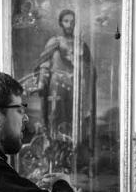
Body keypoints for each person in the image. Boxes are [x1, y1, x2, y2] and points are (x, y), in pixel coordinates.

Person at [35, 9, 97, 149]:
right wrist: (41, 82)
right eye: (66, 21)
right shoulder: (54, 42)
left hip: (75, 87)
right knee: (56, 116)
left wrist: (82, 71)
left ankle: (72, 150)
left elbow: (90, 69)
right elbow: (44, 64)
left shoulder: (81, 44)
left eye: (72, 21)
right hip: (57, 87)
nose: (69, 24)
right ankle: (54, 148)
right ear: (60, 23)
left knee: (73, 118)